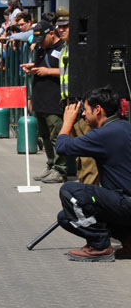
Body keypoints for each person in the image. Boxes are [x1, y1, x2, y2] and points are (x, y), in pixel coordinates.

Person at [55, 87, 131, 262]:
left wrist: (67, 121)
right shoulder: (124, 126)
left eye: (85, 110)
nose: (82, 115)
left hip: (126, 203)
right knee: (65, 217)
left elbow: (62, 146)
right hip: (123, 202)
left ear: (98, 110)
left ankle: (99, 246)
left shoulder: (104, 134)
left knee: (70, 191)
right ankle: (128, 240)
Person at [56, 7, 99, 186]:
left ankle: (89, 196)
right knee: (80, 156)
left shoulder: (83, 48)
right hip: (70, 105)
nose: (62, 29)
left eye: (66, 26)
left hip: (82, 106)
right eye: (59, 26)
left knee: (87, 157)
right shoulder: (65, 48)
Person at [21, 20, 66, 184]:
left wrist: (48, 71)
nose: (40, 43)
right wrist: (32, 68)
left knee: (56, 136)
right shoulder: (41, 49)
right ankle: (51, 164)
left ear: (51, 34)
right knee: (45, 136)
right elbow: (41, 66)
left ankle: (60, 169)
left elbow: (70, 71)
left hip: (55, 101)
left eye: (42, 39)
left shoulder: (63, 48)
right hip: (40, 99)